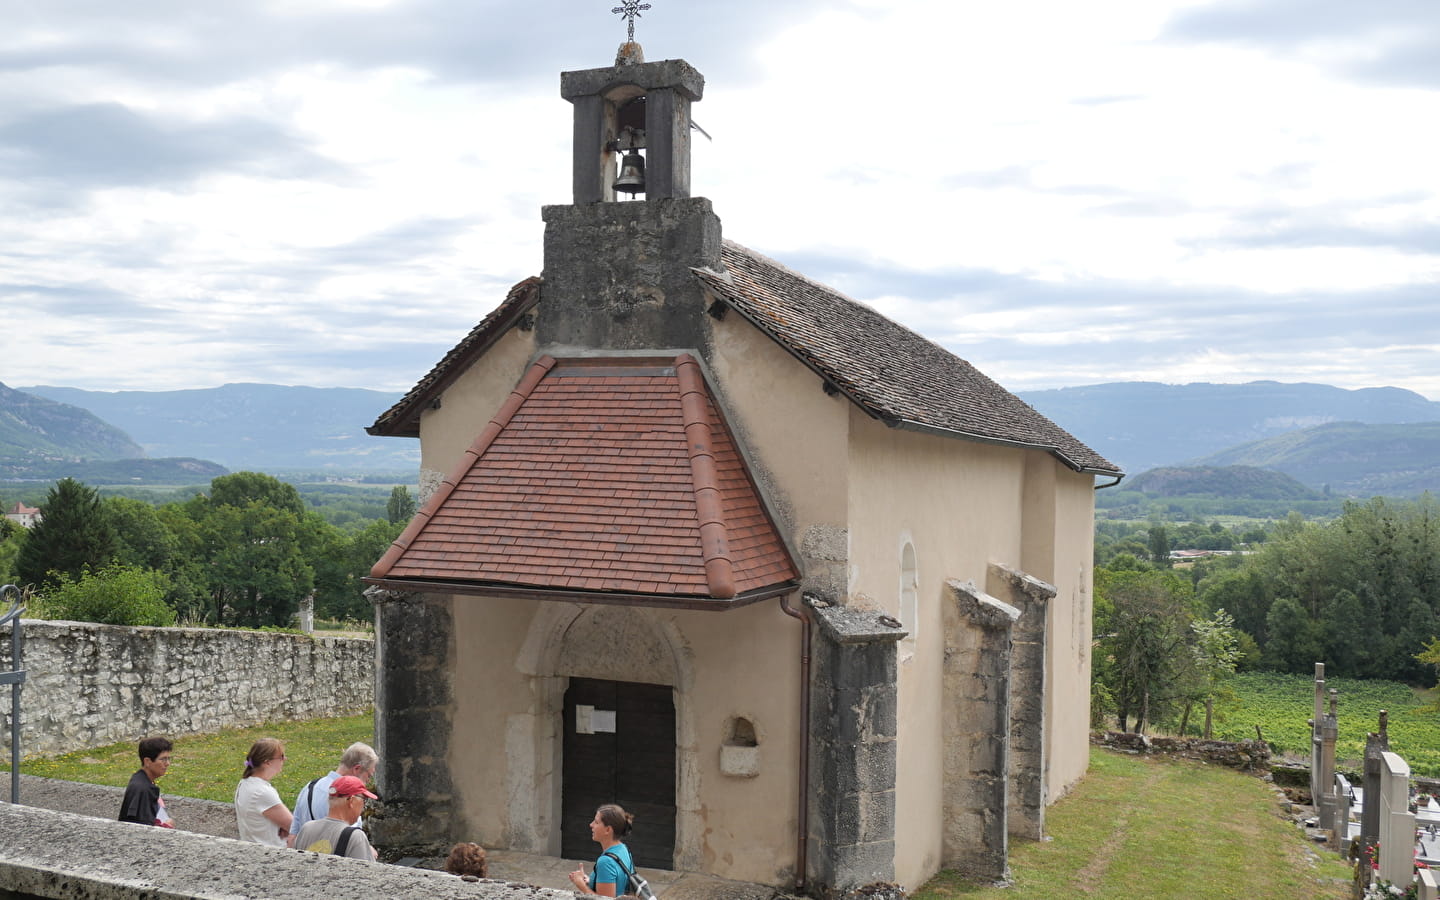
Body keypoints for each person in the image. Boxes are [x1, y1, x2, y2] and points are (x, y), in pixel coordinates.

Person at [291, 741, 378, 838]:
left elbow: (292, 836)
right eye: (368, 776)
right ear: (357, 769)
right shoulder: (347, 798)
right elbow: (351, 840)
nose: (367, 782)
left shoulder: (308, 788)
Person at [293, 775, 378, 861]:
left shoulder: (306, 829)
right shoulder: (355, 837)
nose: (364, 806)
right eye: (364, 799)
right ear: (351, 801)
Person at [234, 738, 293, 847]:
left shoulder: (245, 783)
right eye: (281, 756)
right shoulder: (262, 791)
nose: (284, 759)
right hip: (273, 851)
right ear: (268, 762)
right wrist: (286, 828)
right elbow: (294, 826)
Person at [568, 804, 635, 897]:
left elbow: (605, 899)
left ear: (608, 830)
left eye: (596, 822)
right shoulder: (624, 848)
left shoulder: (605, 862)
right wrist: (590, 881)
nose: (591, 825)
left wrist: (581, 884)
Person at [118, 736, 174, 827]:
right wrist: (165, 826)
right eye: (163, 759)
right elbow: (143, 828)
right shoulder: (143, 789)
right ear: (147, 761)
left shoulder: (141, 780)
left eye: (168, 758)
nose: (168, 763)